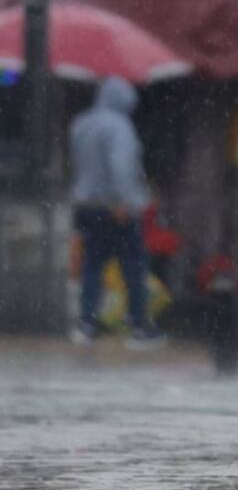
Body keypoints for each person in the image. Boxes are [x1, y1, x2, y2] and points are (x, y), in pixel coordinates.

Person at [68, 76, 164, 348]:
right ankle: (139, 325)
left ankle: (86, 323)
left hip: (86, 205)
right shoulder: (119, 127)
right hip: (114, 207)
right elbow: (121, 166)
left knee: (92, 264)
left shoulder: (81, 123)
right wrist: (126, 201)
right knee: (133, 265)